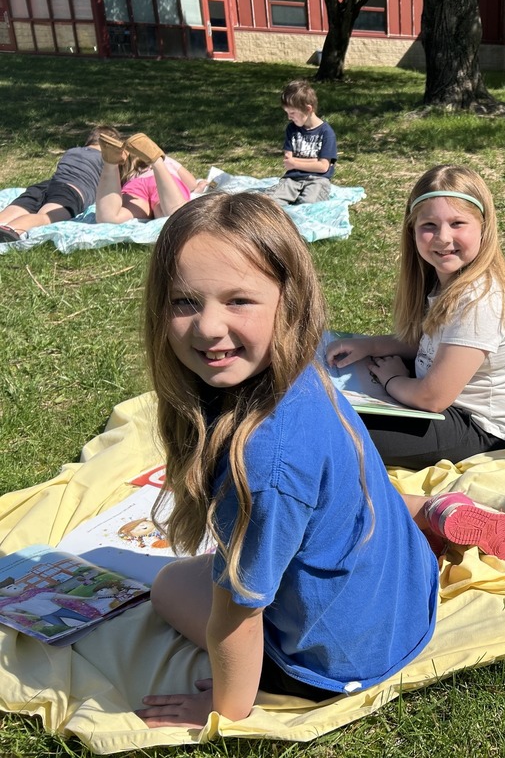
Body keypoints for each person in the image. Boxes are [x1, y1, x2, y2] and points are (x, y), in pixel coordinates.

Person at [133, 192, 438, 728]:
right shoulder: (304, 368)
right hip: (409, 598)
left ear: (289, 301)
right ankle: (435, 513)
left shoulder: (264, 463)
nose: (207, 327)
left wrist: (223, 709)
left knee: (169, 586)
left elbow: (239, 618)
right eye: (185, 302)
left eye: (238, 301)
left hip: (339, 662)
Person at [325, 165, 505, 553]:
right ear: (411, 231)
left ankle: (417, 518)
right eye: (429, 226)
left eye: (457, 223)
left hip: (475, 430)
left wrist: (389, 381)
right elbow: (430, 347)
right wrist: (372, 346)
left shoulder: (479, 300)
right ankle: (431, 516)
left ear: (485, 228)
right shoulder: (450, 280)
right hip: (442, 408)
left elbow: (433, 398)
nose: (443, 238)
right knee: (326, 413)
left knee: (331, 435)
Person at [0, 125, 121, 242]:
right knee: (46, 216)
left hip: (46, 185)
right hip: (71, 190)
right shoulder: (107, 160)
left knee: (19, 208)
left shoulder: (73, 151)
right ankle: (12, 229)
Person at [94, 132, 205, 223]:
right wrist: (199, 187)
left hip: (135, 185)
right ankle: (156, 161)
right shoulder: (168, 162)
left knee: (111, 218)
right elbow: (192, 184)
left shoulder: (127, 173)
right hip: (161, 181)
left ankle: (110, 163)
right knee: (174, 214)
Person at [264, 80, 337, 206]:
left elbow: (323, 167)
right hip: (291, 179)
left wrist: (296, 163)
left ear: (308, 109)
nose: (289, 117)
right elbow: (288, 162)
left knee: (309, 205)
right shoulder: (291, 129)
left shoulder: (326, 132)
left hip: (318, 180)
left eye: (292, 113)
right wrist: (314, 161)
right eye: (287, 113)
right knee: (268, 202)